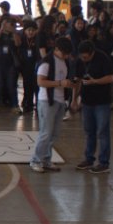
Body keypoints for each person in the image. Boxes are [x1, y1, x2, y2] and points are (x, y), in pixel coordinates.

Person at [30, 36, 73, 173]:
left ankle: (46, 159)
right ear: (57, 49)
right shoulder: (46, 62)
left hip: (60, 101)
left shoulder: (64, 62)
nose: (66, 56)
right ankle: (36, 160)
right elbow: (40, 82)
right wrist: (60, 83)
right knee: (46, 133)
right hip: (47, 101)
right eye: (64, 53)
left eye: (67, 54)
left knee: (54, 133)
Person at [73, 38, 113, 172]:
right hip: (86, 101)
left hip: (102, 101)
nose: (83, 59)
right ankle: (89, 158)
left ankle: (104, 162)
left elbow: (110, 78)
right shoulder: (79, 61)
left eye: (86, 57)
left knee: (102, 131)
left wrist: (94, 81)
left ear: (92, 53)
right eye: (81, 57)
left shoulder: (103, 58)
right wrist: (74, 99)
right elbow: (77, 80)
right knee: (89, 131)